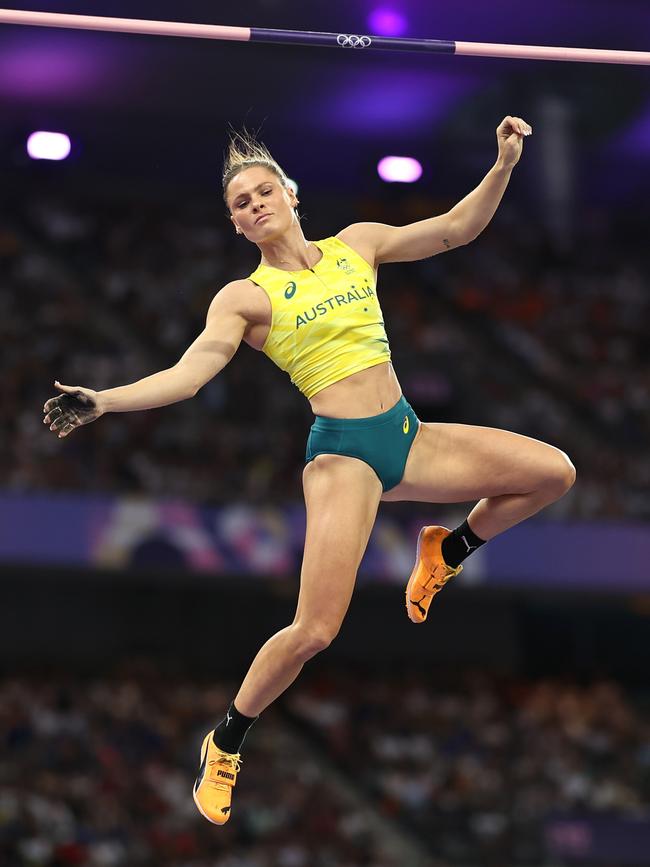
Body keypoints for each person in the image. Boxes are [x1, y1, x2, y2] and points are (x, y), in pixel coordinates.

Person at [42, 116, 575, 825]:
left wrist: (504, 163)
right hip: (345, 456)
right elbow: (190, 373)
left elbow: (454, 228)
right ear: (236, 225)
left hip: (410, 435)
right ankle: (227, 738)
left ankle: (448, 548)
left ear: (291, 194)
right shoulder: (246, 299)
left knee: (553, 472)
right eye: (241, 203)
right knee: (316, 630)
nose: (255, 204)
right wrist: (104, 399)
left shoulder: (358, 244)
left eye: (264, 191)